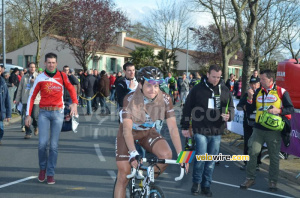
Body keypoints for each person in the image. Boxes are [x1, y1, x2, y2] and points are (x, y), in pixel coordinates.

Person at [114, 66, 186, 198]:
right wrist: (133, 153)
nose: (153, 90)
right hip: (128, 133)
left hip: (148, 131)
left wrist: (182, 155)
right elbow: (127, 130)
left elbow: (173, 128)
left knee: (166, 154)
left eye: (157, 85)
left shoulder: (165, 99)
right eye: (149, 85)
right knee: (124, 176)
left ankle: (145, 180)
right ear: (140, 84)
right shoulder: (130, 99)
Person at [181, 64, 234, 196]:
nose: (216, 79)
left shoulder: (225, 89)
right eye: (214, 77)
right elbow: (187, 107)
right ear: (208, 74)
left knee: (211, 161)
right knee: (201, 159)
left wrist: (229, 116)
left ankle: (206, 185)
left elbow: (231, 107)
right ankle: (196, 183)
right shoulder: (197, 89)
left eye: (218, 77)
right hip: (200, 130)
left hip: (216, 131)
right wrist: (185, 126)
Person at [25, 52, 78, 184]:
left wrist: (75, 104)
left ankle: (50, 173)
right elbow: (32, 97)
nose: (51, 64)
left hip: (58, 113)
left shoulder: (62, 75)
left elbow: (71, 89)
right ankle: (42, 168)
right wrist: (28, 114)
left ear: (56, 63)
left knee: (54, 146)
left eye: (53, 62)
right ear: (45, 63)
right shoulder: (40, 77)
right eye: (49, 62)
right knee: (42, 144)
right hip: (43, 113)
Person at [240, 69, 294, 191]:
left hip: (273, 130)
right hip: (258, 128)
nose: (260, 81)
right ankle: (250, 178)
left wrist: (278, 111)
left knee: (274, 157)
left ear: (271, 79)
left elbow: (290, 109)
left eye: (263, 79)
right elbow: (250, 110)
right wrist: (249, 98)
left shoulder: (281, 91)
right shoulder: (258, 91)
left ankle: (273, 181)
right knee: (252, 151)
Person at [237, 76, 262, 171]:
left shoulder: (261, 94)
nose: (253, 86)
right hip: (248, 123)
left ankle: (257, 163)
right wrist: (244, 106)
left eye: (255, 84)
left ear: (259, 84)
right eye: (252, 84)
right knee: (247, 142)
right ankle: (246, 163)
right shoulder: (247, 94)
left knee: (257, 143)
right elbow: (239, 106)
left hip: (258, 122)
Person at [14, 62, 40, 139]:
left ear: (35, 68)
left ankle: (35, 126)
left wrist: (34, 82)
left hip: (35, 100)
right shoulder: (24, 77)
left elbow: (42, 88)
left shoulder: (38, 76)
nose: (32, 69)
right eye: (31, 67)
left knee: (35, 116)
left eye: (33, 67)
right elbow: (20, 89)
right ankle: (28, 132)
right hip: (25, 99)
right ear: (28, 68)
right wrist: (17, 99)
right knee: (26, 117)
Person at [0, 67, 11, 145]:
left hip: (0, 110)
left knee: (1, 129)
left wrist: (8, 114)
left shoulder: (3, 83)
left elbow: (7, 99)